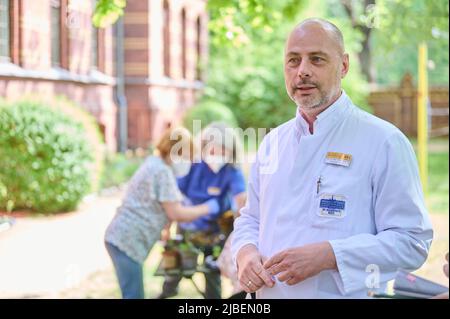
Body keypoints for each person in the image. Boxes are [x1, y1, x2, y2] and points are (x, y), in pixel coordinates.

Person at [231, 18, 433, 298]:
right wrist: (245, 252)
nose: (302, 71)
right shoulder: (271, 143)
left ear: (344, 66)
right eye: (293, 60)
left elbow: (412, 241)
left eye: (316, 59)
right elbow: (250, 219)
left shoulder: (383, 141)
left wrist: (331, 255)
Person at [104, 127, 221, 299]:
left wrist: (166, 227)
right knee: (133, 295)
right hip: (126, 241)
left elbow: (160, 204)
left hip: (121, 237)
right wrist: (208, 207)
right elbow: (176, 212)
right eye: (188, 156)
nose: (189, 162)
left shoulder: (155, 163)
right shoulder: (162, 172)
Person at [158, 122, 246, 299]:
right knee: (174, 266)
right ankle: (167, 292)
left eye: (224, 152)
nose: (218, 156)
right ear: (204, 148)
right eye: (214, 151)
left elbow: (241, 200)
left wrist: (241, 227)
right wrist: (167, 227)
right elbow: (174, 197)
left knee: (211, 272)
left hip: (215, 230)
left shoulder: (231, 171)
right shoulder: (193, 165)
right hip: (187, 225)